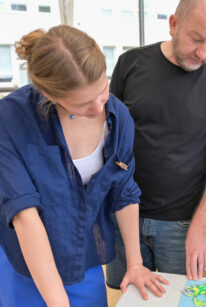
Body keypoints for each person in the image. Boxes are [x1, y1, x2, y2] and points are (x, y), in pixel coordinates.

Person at [0, 25, 168, 307]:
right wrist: (57, 301)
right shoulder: (10, 118)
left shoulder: (118, 116)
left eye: (102, 91)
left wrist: (135, 263)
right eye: (82, 103)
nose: (99, 108)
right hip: (24, 264)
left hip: (82, 257)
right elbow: (24, 215)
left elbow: (124, 192)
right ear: (49, 95)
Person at [106, 0, 206, 286]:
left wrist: (200, 225)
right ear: (173, 24)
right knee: (127, 295)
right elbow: (108, 133)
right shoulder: (131, 64)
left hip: (182, 223)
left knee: (177, 297)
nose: (204, 53)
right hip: (124, 213)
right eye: (196, 39)